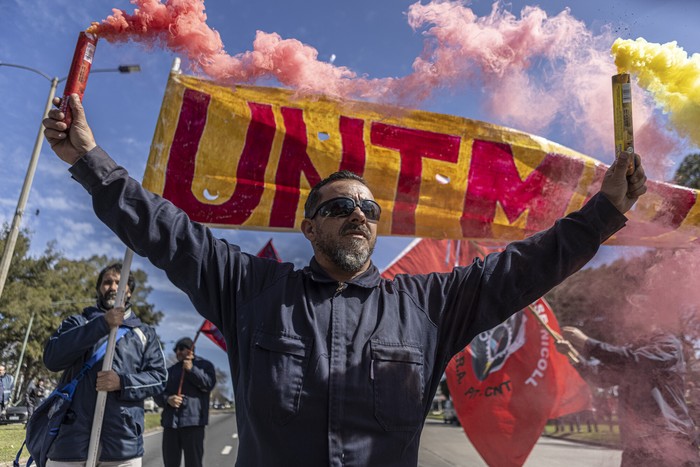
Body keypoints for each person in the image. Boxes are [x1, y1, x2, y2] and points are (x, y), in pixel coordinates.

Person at [42, 94, 646, 466]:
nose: (358, 213)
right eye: (338, 207)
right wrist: (88, 162)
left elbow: (523, 269)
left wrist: (605, 212)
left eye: (368, 209)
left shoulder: (428, 306)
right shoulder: (250, 289)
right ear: (309, 228)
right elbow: (165, 231)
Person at [43, 263, 168, 466]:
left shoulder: (145, 333)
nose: (112, 287)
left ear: (129, 292)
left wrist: (122, 382)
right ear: (99, 288)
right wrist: (101, 325)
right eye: (107, 282)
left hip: (122, 443)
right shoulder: (77, 323)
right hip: (70, 440)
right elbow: (52, 359)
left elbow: (159, 378)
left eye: (120, 282)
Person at [557, 326, 700, 466]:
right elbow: (600, 378)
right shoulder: (630, 352)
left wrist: (587, 343)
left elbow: (634, 360)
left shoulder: (667, 343)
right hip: (636, 444)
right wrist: (572, 354)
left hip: (671, 439)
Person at [154, 337, 216, 467]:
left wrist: (191, 370)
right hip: (171, 424)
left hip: (193, 424)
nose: (178, 352)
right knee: (170, 463)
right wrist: (167, 399)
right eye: (176, 350)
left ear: (191, 350)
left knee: (194, 463)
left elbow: (208, 384)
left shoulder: (205, 366)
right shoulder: (169, 371)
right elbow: (157, 392)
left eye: (181, 348)